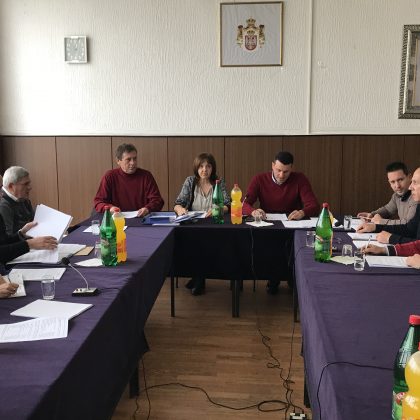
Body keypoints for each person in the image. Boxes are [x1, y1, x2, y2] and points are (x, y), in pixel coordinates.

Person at [243, 151, 319, 294]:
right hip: (268, 224)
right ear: (272, 166)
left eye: (286, 172)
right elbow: (244, 204)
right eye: (278, 170)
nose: (281, 175)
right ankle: (273, 278)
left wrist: (302, 212)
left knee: (293, 245)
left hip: (291, 223)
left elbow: (313, 205)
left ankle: (291, 277)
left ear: (292, 169)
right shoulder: (259, 179)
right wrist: (253, 211)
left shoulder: (300, 179)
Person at [174, 153, 230, 295]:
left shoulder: (218, 182)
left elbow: (227, 204)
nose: (204, 170)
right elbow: (178, 203)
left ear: (213, 168)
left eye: (208, 166)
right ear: (196, 168)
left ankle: (199, 278)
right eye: (201, 166)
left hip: (214, 224)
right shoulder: (190, 181)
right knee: (191, 242)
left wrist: (219, 209)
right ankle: (197, 276)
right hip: (194, 224)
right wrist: (180, 210)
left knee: (204, 242)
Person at [93, 143, 164, 216]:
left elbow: (157, 200)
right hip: (116, 218)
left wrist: (147, 209)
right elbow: (99, 202)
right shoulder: (110, 176)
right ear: (118, 161)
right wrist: (110, 208)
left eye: (135, 159)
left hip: (141, 218)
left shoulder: (146, 176)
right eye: (128, 159)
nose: (133, 163)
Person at [357, 167, 420, 244]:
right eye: (393, 182)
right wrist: (375, 225)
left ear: (409, 177)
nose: (397, 185)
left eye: (400, 180)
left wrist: (390, 238)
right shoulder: (398, 196)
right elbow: (409, 228)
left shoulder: (416, 200)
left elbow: (416, 242)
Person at [0, 166, 35, 235]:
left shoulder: (23, 198)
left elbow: (34, 223)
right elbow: (7, 239)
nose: (30, 187)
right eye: (26, 184)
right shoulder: (3, 205)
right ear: (11, 186)